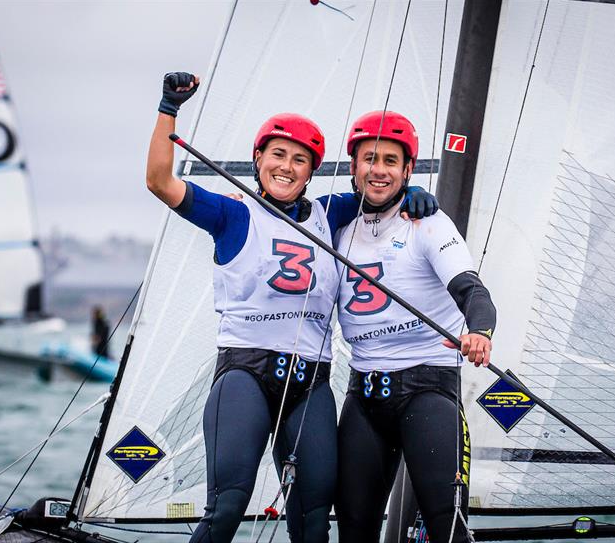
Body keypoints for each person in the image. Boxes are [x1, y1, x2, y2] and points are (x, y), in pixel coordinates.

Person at [145, 73, 439, 543]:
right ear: (258, 158)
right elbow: (159, 181)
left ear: (311, 171)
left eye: (300, 160)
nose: (287, 167)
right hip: (246, 376)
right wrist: (168, 108)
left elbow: (380, 186)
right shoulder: (231, 213)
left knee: (312, 516)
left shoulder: (332, 213)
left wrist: (417, 197)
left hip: (311, 386)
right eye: (277, 155)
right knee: (227, 506)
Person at [334, 111, 497, 542]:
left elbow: (472, 291)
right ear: (353, 167)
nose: (379, 170)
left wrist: (480, 331)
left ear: (408, 170)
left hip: (427, 390)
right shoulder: (334, 223)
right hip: (363, 396)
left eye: (391, 160)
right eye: (370, 159)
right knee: (353, 531)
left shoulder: (429, 223)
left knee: (446, 527)